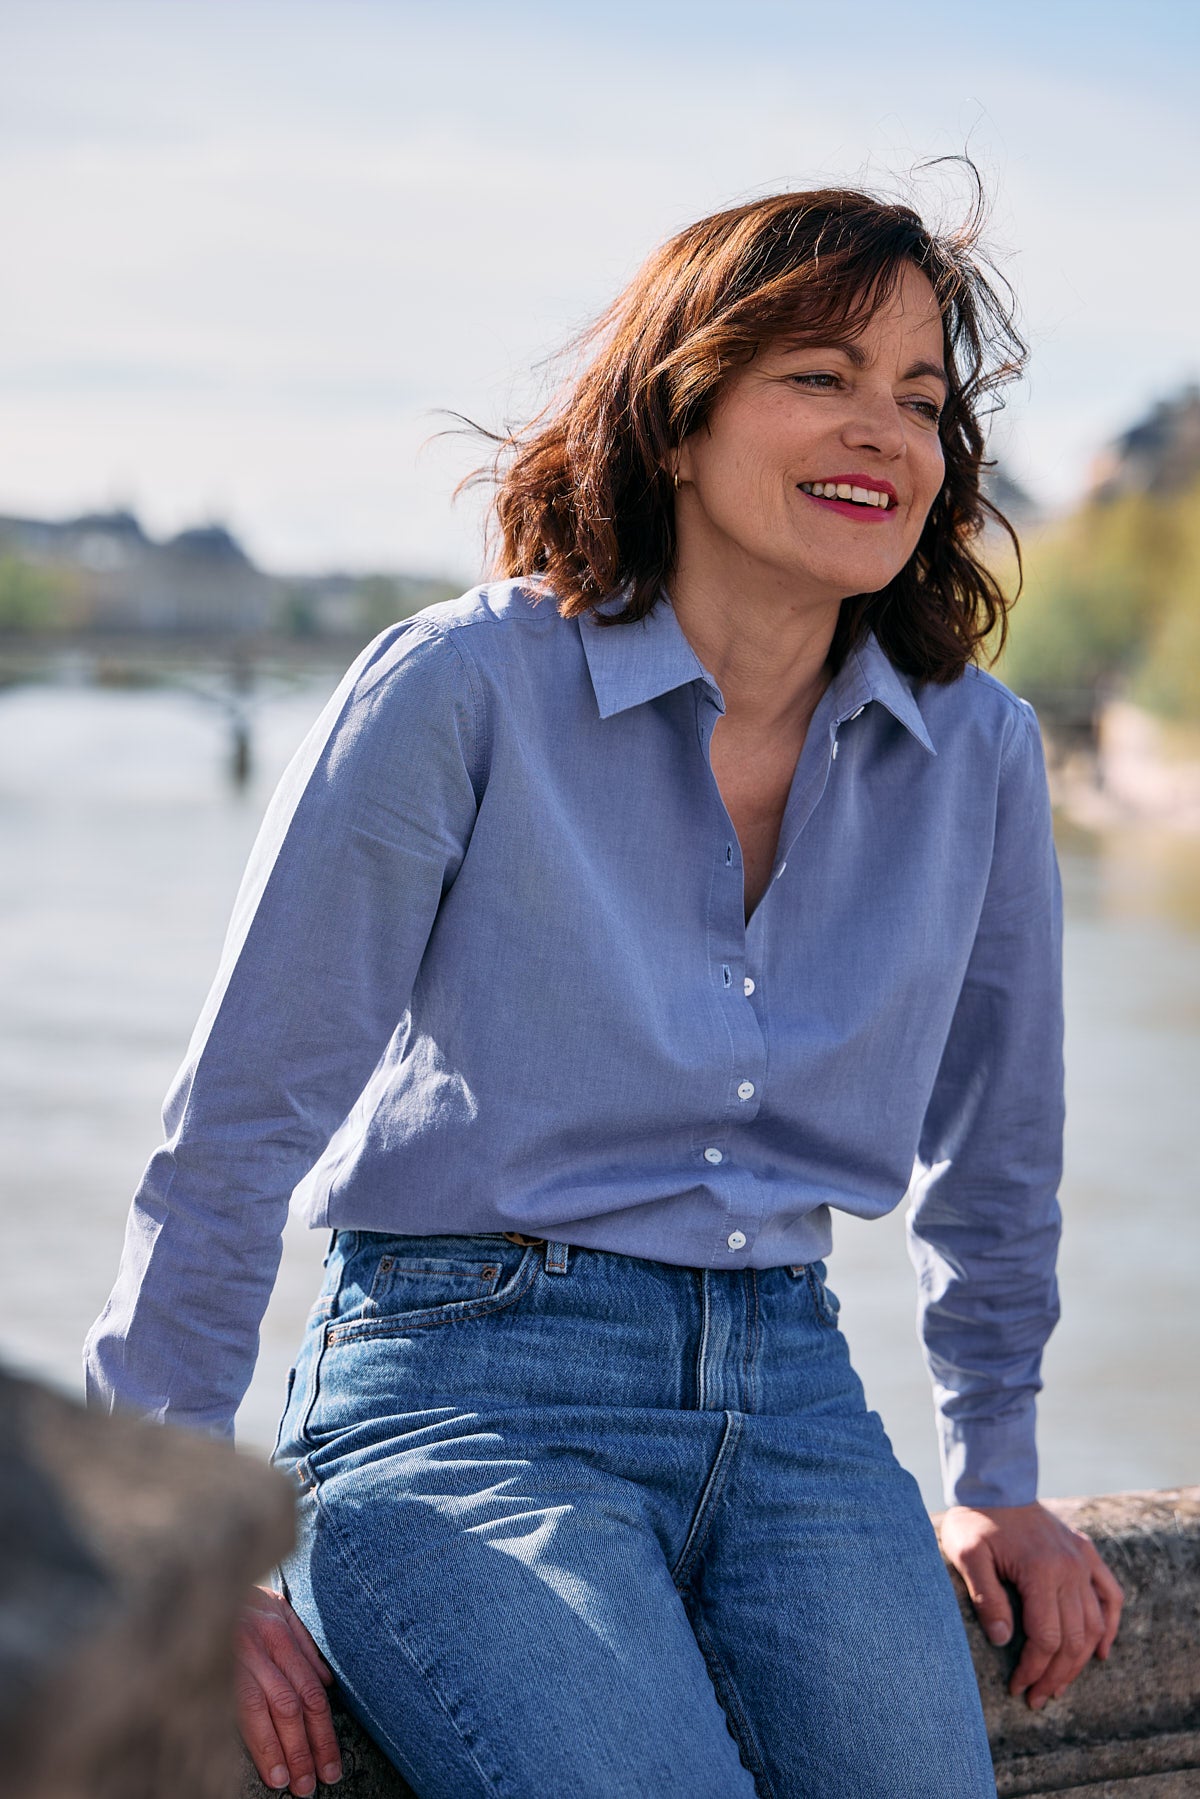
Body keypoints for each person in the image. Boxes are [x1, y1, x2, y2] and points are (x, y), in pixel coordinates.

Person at [85, 178, 1123, 1799]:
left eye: (922, 400)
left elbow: (999, 1147)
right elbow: (234, 1130)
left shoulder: (975, 753)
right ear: (681, 407)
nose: (886, 433)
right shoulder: (464, 688)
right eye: (821, 377)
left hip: (797, 1404)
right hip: (460, 1404)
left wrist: (997, 1469)